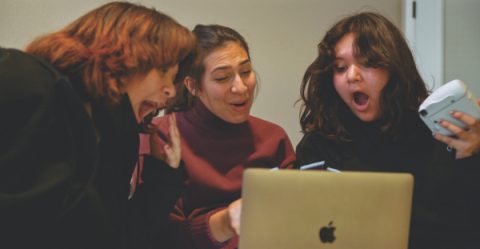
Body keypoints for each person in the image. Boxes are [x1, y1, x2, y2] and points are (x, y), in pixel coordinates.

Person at [0, 2, 195, 249]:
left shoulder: (116, 138)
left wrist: (164, 177)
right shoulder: (26, 78)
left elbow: (116, 238)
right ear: (126, 53)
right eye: (164, 71)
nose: (170, 90)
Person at [295, 11, 480, 249]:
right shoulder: (319, 145)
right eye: (340, 68)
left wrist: (472, 156)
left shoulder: (442, 132)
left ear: (393, 68)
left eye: (368, 63)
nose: (352, 76)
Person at [138, 24, 296, 249]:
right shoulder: (163, 136)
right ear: (193, 86)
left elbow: (293, 220)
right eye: (222, 78)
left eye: (246, 71)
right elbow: (158, 235)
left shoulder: (273, 137)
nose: (241, 88)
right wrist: (223, 224)